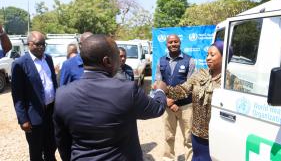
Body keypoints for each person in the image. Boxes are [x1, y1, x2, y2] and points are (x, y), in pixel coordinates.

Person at [53, 34, 167, 161]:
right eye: (117, 55)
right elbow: (157, 108)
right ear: (107, 61)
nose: (120, 59)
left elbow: (62, 140)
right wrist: (161, 90)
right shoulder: (127, 90)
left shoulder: (62, 94)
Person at [160, 41, 242, 161]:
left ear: (224, 58)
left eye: (212, 55)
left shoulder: (232, 82)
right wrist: (165, 89)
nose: (208, 58)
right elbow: (183, 90)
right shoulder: (200, 75)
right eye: (207, 54)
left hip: (217, 136)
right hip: (196, 133)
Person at [11, 31, 58, 161]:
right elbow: (17, 95)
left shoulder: (48, 58)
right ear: (29, 44)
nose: (42, 47)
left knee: (51, 147)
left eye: (44, 44)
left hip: (51, 112)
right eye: (38, 44)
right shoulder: (20, 64)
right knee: (36, 151)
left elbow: (53, 82)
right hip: (34, 117)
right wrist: (23, 119)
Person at [155, 34, 195, 161]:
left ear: (180, 43)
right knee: (169, 136)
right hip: (168, 105)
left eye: (175, 42)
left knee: (188, 137)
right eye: (170, 42)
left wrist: (175, 101)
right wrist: (167, 101)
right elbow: (158, 83)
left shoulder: (189, 60)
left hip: (186, 106)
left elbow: (190, 85)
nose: (173, 44)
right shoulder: (161, 61)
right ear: (167, 44)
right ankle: (168, 158)